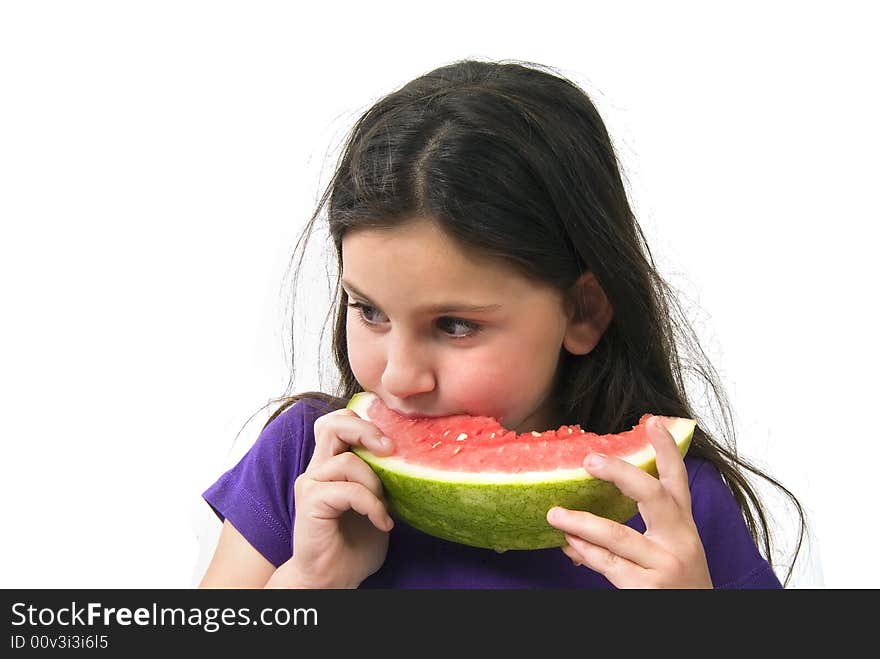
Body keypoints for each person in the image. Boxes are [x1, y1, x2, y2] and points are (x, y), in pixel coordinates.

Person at [198, 58, 805, 589]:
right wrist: (312, 581)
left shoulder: (678, 508)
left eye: (456, 326)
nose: (401, 377)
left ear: (584, 311)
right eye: (370, 311)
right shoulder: (304, 464)